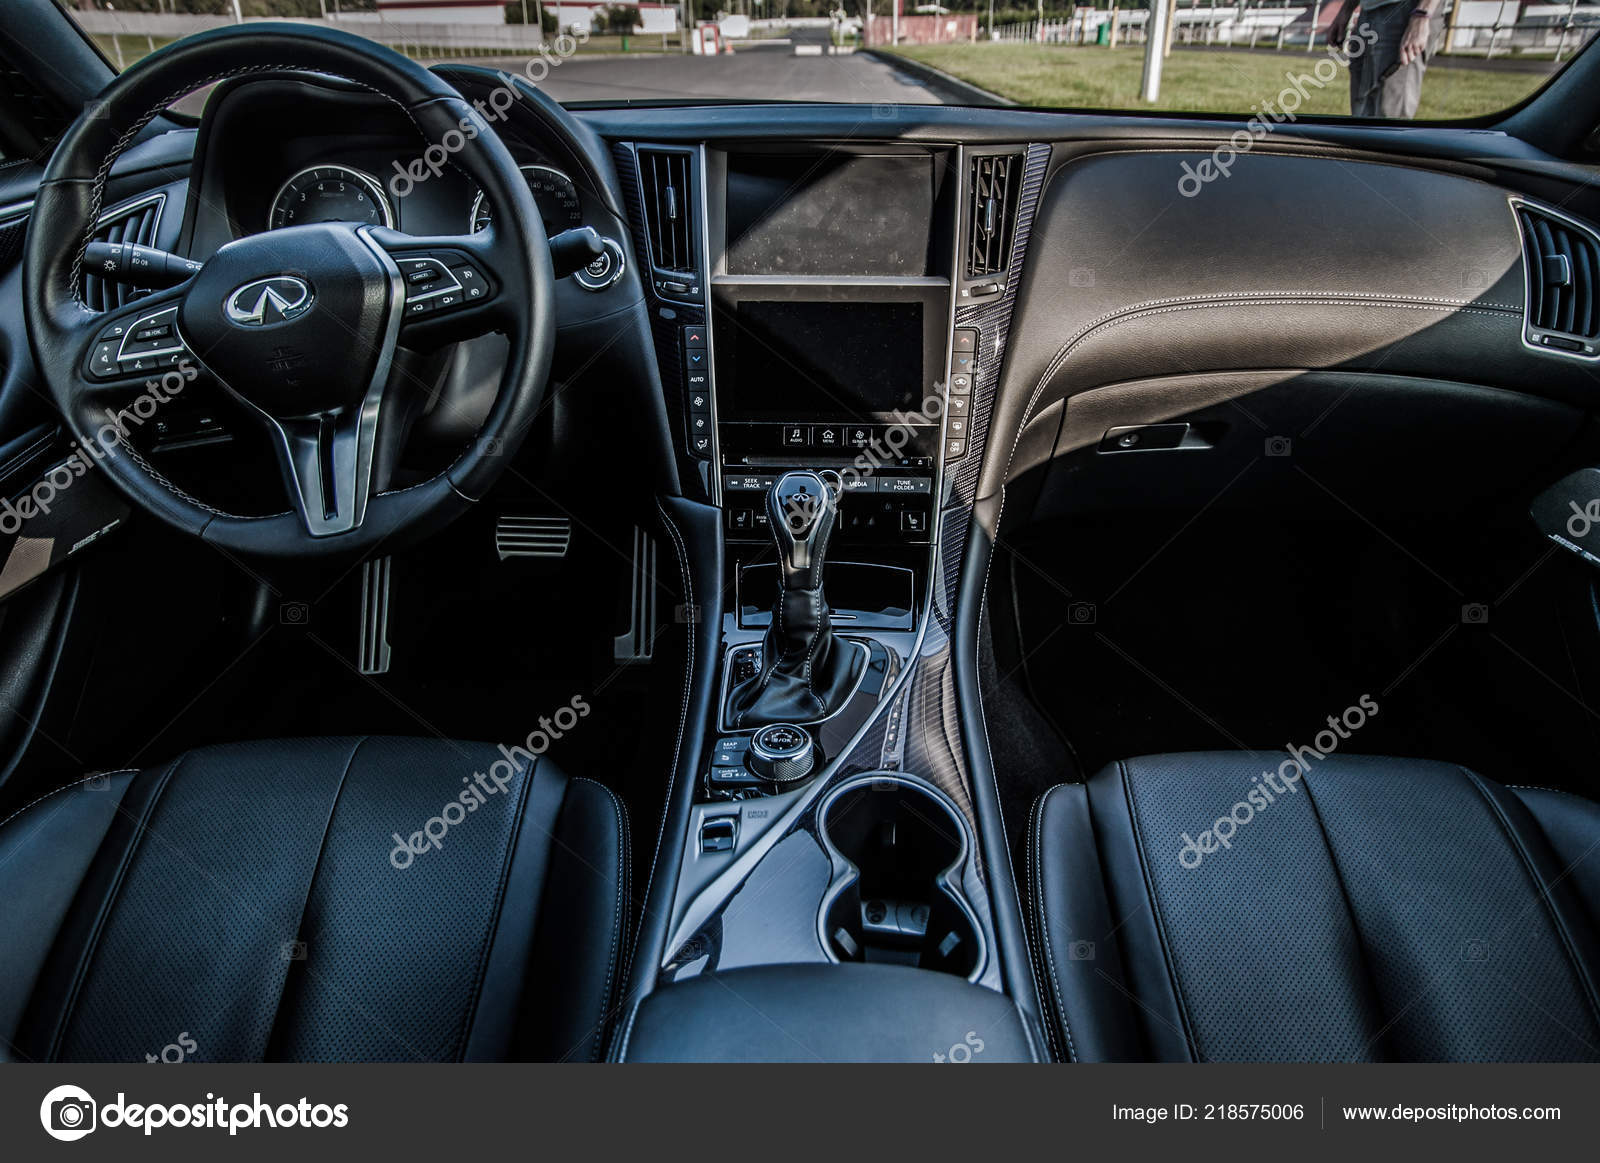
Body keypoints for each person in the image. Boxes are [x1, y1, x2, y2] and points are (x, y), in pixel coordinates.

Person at [1331, 0, 1448, 119]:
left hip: (1408, 11)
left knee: (1390, 117)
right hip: (1368, 10)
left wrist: (1423, 13)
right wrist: (1346, 10)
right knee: (1360, 117)